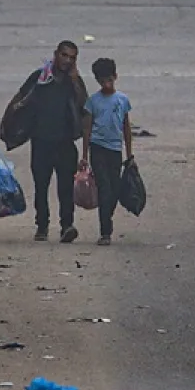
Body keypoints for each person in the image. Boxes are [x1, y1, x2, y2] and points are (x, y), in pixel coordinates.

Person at [8, 41, 87, 243]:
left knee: (65, 189)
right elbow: (20, 98)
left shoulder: (74, 81)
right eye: (64, 55)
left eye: (72, 57)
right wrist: (11, 125)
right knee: (41, 187)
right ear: (56, 54)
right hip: (42, 142)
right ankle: (42, 226)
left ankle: (67, 225)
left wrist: (76, 80)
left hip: (65, 143)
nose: (67, 60)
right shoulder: (40, 77)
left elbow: (84, 106)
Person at [81, 57, 134, 247]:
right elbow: (87, 129)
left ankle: (107, 216)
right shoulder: (93, 102)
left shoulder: (122, 100)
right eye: (102, 81)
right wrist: (84, 156)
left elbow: (126, 127)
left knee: (115, 188)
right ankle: (105, 231)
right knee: (104, 187)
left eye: (109, 80)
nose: (106, 84)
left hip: (115, 149)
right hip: (98, 148)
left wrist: (129, 155)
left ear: (116, 77)